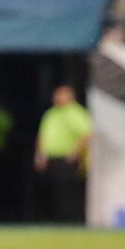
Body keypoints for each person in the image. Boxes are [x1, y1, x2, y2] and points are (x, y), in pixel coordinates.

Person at [34, 85, 92, 222]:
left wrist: (75, 152)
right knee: (53, 191)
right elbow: (42, 135)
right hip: (51, 159)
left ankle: (71, 220)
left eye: (61, 94)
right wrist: (40, 154)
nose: (57, 97)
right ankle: (56, 220)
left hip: (67, 159)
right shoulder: (51, 114)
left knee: (68, 191)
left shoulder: (75, 112)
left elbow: (86, 134)